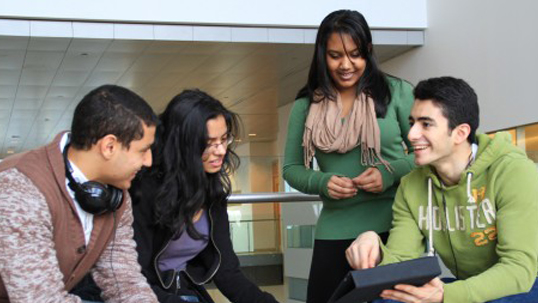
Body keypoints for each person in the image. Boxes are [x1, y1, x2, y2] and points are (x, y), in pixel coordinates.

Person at [346, 76, 538, 303]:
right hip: (471, 284)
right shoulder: (412, 186)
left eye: (426, 124)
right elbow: (401, 260)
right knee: (391, 298)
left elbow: (519, 270)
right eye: (412, 123)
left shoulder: (514, 172)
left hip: (527, 283)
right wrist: (374, 247)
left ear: (460, 133)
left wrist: (446, 295)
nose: (411, 135)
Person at [282, 9, 415, 303]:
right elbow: (291, 169)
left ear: (368, 50)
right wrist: (322, 181)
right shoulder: (306, 105)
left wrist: (389, 173)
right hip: (333, 230)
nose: (346, 65)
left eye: (355, 54)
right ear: (322, 55)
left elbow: (426, 154)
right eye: (335, 55)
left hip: (394, 227)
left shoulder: (398, 93)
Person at [0, 85, 159, 302]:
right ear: (109, 146)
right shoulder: (21, 187)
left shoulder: (116, 197)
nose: (149, 161)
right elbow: (41, 298)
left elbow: (123, 279)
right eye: (143, 150)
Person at [130, 89, 279, 303]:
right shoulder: (144, 190)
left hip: (182, 292)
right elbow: (132, 281)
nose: (220, 151)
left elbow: (227, 272)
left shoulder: (211, 191)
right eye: (208, 143)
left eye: (224, 139)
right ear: (182, 144)